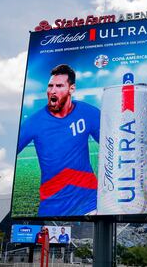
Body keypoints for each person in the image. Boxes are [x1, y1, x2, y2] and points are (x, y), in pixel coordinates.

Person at [18, 64, 100, 217]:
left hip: (90, 204)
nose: (52, 91)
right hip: (51, 209)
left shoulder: (88, 112)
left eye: (59, 86)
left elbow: (115, 144)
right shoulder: (34, 123)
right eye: (50, 86)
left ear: (71, 89)